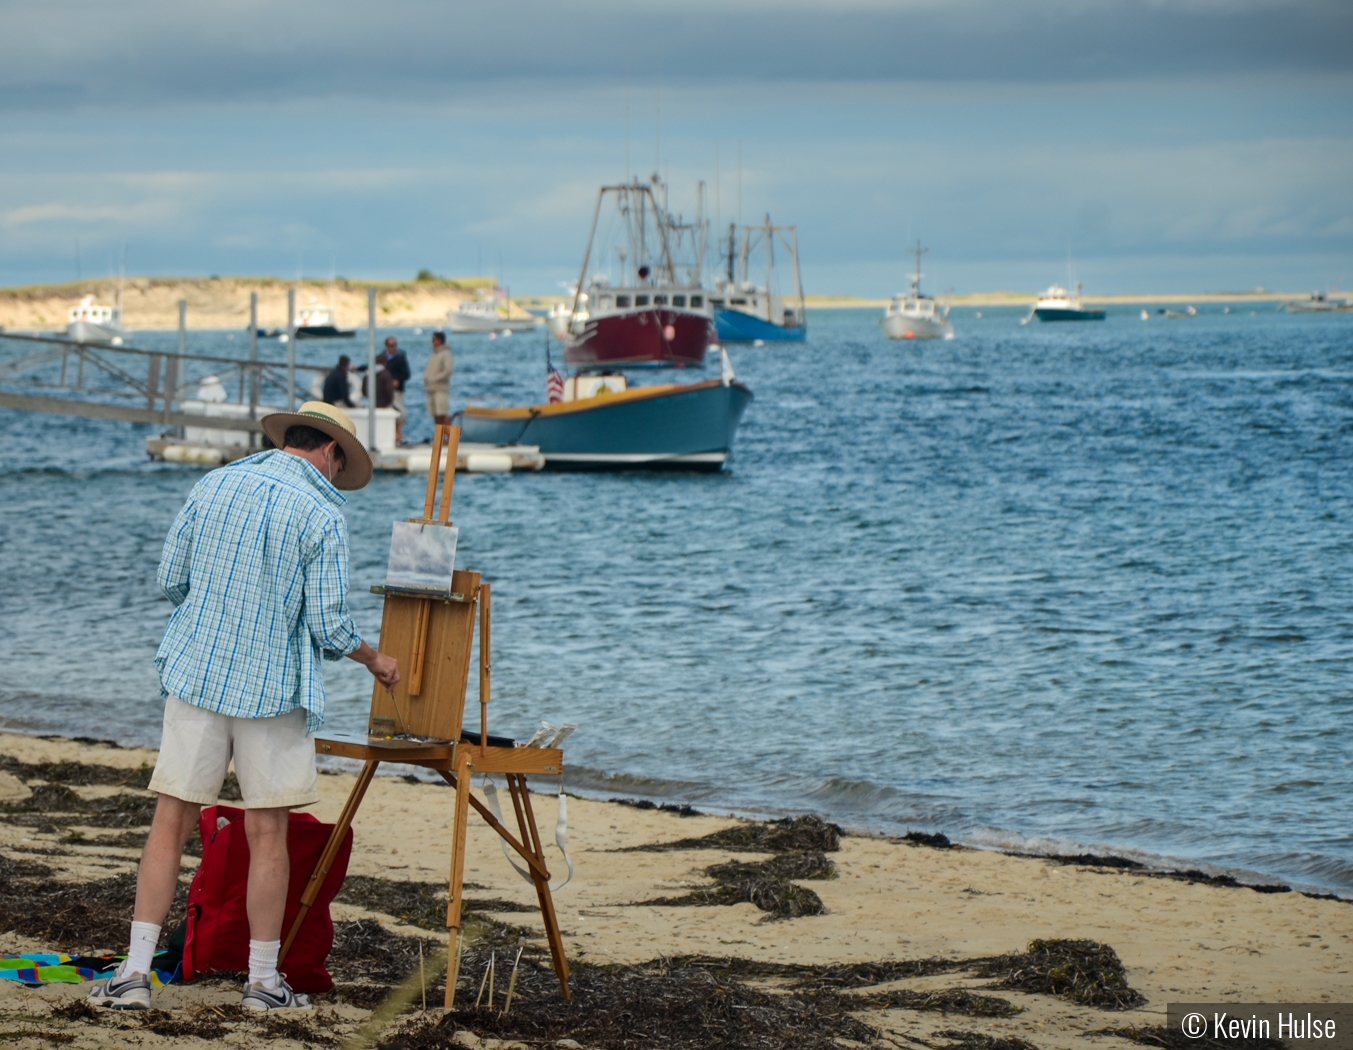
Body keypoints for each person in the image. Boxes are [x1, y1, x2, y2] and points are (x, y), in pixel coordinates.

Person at [87, 401, 399, 1014]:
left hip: (196, 672)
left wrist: (216, 608)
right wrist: (377, 661)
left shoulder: (216, 482)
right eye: (343, 465)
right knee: (268, 832)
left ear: (293, 438)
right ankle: (262, 983)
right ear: (331, 452)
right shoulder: (321, 512)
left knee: (170, 821)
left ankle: (132, 976)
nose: (339, 479)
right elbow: (330, 626)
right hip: (272, 688)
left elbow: (170, 579)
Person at [383, 337, 411, 445]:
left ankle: (398, 433)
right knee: (390, 412)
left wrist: (398, 379)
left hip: (398, 390)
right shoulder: (383, 357)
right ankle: (393, 435)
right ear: (386, 346)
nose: (393, 348)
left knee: (400, 412)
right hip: (386, 391)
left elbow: (407, 374)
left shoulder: (401, 357)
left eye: (395, 345)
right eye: (391, 345)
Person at [423, 330, 454, 428]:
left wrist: (436, 378)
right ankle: (439, 437)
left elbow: (448, 370)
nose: (432, 342)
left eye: (434, 339)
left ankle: (450, 439)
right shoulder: (434, 354)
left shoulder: (446, 354)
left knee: (442, 413)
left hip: (440, 388)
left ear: (440, 340)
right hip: (431, 388)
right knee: (435, 414)